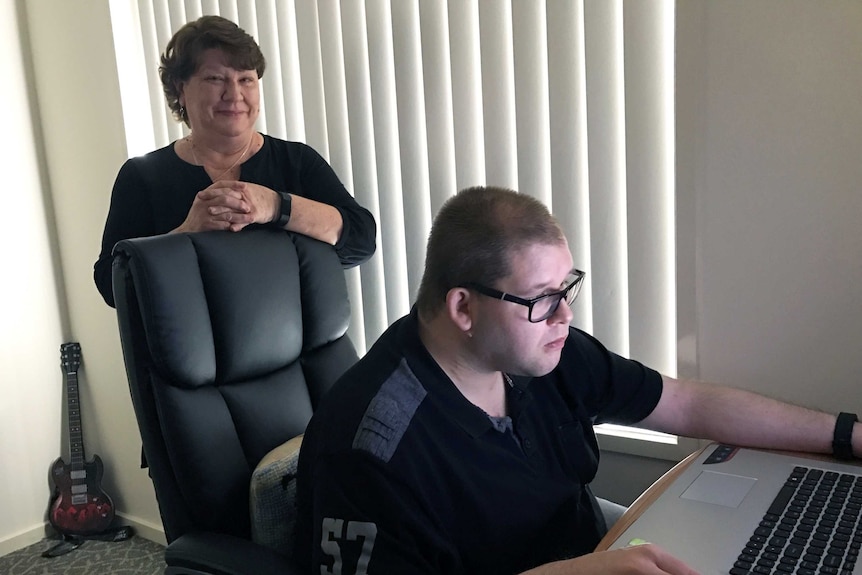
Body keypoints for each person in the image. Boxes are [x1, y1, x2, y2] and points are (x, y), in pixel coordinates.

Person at [294, 186, 861, 574]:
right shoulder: (371, 450)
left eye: (567, 289)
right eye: (542, 299)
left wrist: (848, 435)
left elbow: (684, 404)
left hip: (595, 546)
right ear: (463, 308)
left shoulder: (542, 350)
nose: (564, 317)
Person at [94, 15, 376, 307]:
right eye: (215, 79)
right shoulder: (141, 176)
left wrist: (276, 206)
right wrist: (185, 233)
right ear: (180, 89)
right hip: (184, 350)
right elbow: (110, 286)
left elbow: (362, 241)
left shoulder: (297, 161)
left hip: (299, 348)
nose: (235, 94)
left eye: (246, 79)